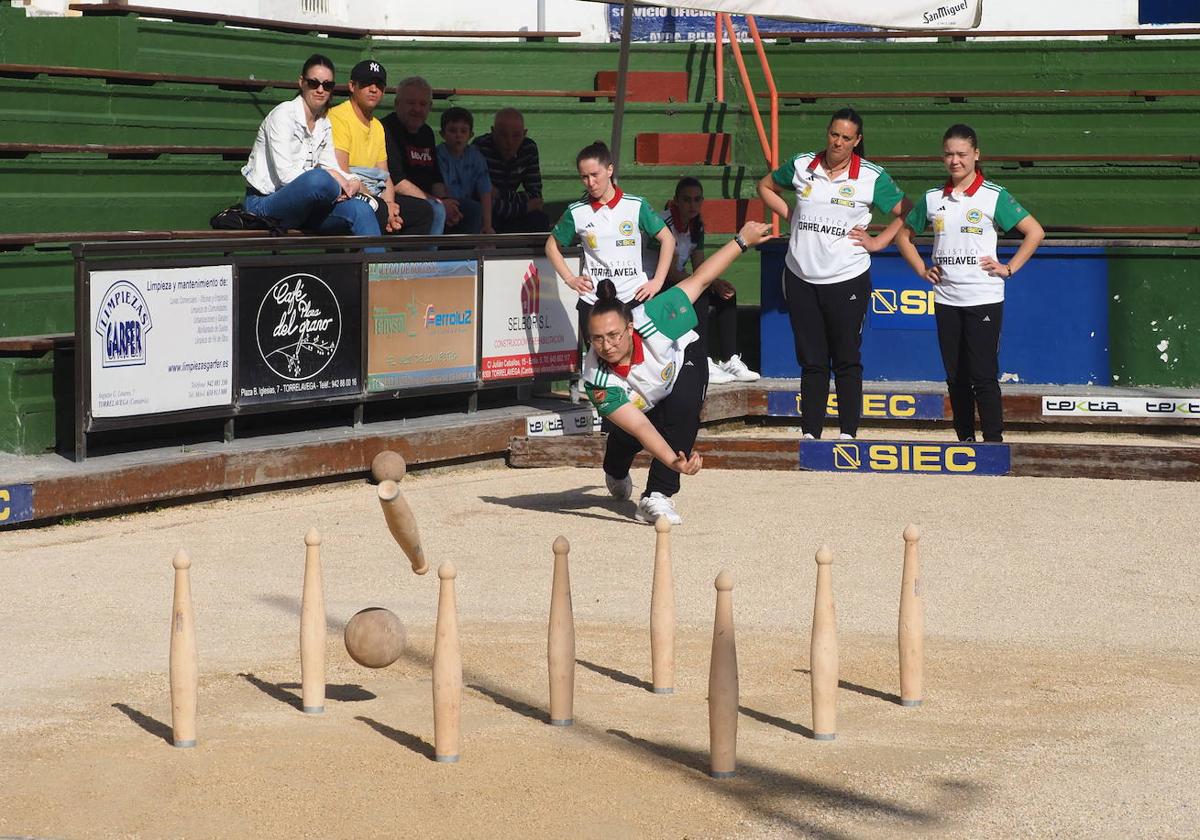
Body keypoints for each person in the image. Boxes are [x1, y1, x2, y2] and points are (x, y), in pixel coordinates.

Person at [856, 123, 1044, 442]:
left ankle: (993, 442)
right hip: (945, 299)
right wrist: (921, 270)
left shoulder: (993, 196)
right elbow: (903, 235)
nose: (955, 161)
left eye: (962, 154)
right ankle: (965, 440)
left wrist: (1008, 268)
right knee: (955, 377)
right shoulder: (932, 199)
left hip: (983, 297)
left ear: (976, 155)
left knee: (982, 375)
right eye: (949, 154)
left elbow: (1035, 231)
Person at [583, 221, 774, 525]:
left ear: (630, 327)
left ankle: (657, 495)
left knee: (683, 408)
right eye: (597, 339)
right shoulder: (597, 380)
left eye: (614, 335)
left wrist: (741, 241)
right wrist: (669, 456)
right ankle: (615, 468)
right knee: (629, 435)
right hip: (642, 404)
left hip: (683, 358)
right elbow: (643, 429)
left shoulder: (654, 319)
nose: (607, 346)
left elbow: (701, 279)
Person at [757, 107, 911, 440]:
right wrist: (792, 217)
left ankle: (847, 433)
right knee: (811, 360)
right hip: (800, 276)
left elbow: (908, 212)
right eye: (833, 134)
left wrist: (878, 241)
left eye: (845, 138)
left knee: (845, 356)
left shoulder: (870, 176)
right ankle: (811, 432)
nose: (837, 142)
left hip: (847, 277)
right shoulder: (803, 165)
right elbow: (766, 186)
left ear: (857, 141)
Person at [545, 141, 676, 342]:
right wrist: (570, 279)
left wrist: (657, 281)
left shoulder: (635, 205)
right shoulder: (576, 211)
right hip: (593, 302)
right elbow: (551, 246)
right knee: (600, 368)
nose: (590, 182)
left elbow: (667, 239)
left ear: (609, 170)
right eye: (584, 177)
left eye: (594, 175)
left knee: (636, 366)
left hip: (634, 299)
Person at [239, 54, 379, 238]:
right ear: (302, 83)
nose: (320, 90)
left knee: (361, 209)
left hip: (306, 206)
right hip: (265, 204)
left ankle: (377, 266)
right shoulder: (283, 115)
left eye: (327, 85)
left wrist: (353, 182)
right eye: (314, 83)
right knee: (318, 179)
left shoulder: (324, 122)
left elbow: (332, 167)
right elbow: (286, 177)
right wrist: (336, 182)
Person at [648, 177, 760, 385]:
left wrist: (715, 282)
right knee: (699, 294)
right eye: (687, 200)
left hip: (678, 282)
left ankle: (729, 359)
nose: (692, 205)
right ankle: (702, 359)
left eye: (697, 200)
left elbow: (699, 265)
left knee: (724, 294)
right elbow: (670, 272)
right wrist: (701, 283)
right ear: (676, 201)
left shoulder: (696, 225)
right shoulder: (663, 223)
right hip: (655, 284)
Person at [326, 60, 434, 237]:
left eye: (379, 85)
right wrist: (385, 206)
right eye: (367, 84)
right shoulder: (338, 117)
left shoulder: (377, 126)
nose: (374, 89)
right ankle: (367, 263)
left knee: (423, 211)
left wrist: (390, 204)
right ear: (352, 86)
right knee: (379, 211)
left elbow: (385, 175)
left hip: (374, 193)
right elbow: (343, 173)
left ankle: (404, 265)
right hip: (346, 193)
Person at [381, 76, 457, 236]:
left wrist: (444, 200)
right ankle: (427, 261)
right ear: (397, 104)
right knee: (437, 210)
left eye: (422, 104)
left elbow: (436, 177)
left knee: (469, 209)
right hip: (394, 198)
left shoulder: (427, 132)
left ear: (430, 107)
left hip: (424, 198)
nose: (417, 109)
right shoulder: (386, 129)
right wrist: (439, 203)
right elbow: (396, 182)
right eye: (411, 103)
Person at [473, 107, 549, 233]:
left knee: (539, 220)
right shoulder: (480, 148)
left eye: (516, 135)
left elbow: (535, 195)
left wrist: (499, 193)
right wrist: (525, 207)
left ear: (524, 134)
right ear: (493, 132)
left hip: (510, 210)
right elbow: (481, 197)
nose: (509, 142)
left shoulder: (528, 149)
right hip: (489, 215)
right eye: (503, 135)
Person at [436, 106, 493, 235]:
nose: (458, 135)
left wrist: (487, 226)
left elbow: (485, 192)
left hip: (466, 205)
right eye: (452, 130)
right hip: (444, 203)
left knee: (475, 209)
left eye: (463, 131)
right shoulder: (438, 155)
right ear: (442, 134)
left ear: (471, 135)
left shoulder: (476, 156)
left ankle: (469, 249)